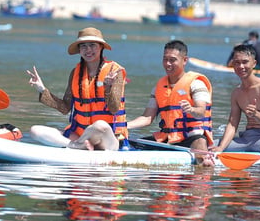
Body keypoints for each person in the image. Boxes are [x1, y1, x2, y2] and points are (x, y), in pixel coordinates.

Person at [78, 40, 214, 164]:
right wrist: (124, 126)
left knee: (200, 141)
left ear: (184, 60)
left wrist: (191, 110)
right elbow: (147, 118)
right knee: (131, 144)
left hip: (191, 137)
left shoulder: (196, 84)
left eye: (172, 60)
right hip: (167, 138)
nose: (167, 64)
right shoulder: (159, 87)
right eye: (165, 59)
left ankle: (203, 167)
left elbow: (201, 112)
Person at [26, 27, 128, 151]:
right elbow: (65, 108)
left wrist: (107, 87)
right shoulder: (75, 73)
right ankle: (77, 145)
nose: (88, 50)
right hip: (79, 135)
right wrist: (42, 90)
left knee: (99, 126)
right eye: (83, 46)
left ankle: (77, 146)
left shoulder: (115, 72)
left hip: (108, 138)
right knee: (35, 131)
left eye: (92, 45)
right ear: (79, 50)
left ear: (101, 47)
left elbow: (114, 108)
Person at [211, 43, 260, 164]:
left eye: (245, 62)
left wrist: (256, 115)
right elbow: (232, 124)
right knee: (208, 145)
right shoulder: (237, 93)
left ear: (254, 63)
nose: (240, 66)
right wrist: (220, 148)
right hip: (246, 137)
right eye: (237, 63)